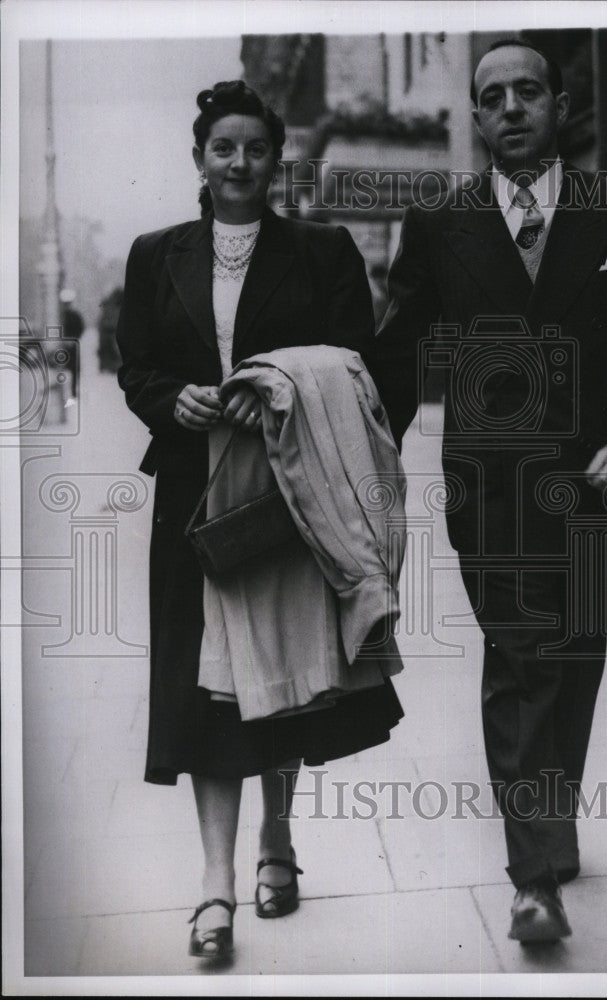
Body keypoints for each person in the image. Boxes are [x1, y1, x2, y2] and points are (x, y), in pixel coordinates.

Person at [372, 40, 607, 943]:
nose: (508, 108)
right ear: (475, 118)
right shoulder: (439, 221)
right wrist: (363, 454)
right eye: (490, 97)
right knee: (520, 664)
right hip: (495, 494)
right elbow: (398, 352)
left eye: (525, 92)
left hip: (598, 495)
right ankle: (532, 879)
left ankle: (549, 824)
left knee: (576, 654)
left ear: (558, 105)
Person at [116, 80, 403, 959]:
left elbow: (358, 368)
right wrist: (180, 402)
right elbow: (138, 370)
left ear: (277, 160)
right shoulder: (154, 252)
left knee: (279, 670)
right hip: (193, 497)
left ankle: (277, 838)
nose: (238, 163)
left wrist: (278, 383)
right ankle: (215, 888)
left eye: (254, 148)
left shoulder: (322, 249)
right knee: (207, 687)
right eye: (221, 148)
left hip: (287, 493)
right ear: (197, 157)